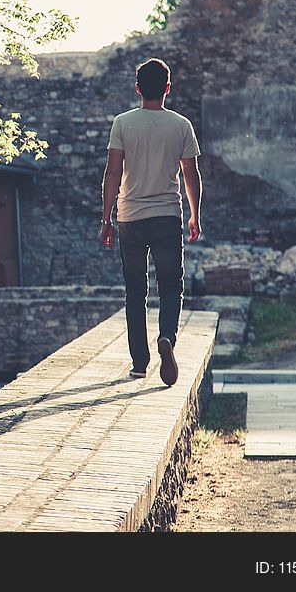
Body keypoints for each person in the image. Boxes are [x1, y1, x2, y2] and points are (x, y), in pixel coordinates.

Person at [98, 58, 203, 386]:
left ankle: (139, 363)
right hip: (167, 217)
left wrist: (106, 219)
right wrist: (195, 215)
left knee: (135, 292)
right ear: (168, 88)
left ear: (138, 88)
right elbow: (191, 173)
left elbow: (112, 172)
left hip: (129, 218)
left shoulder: (122, 123)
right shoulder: (181, 125)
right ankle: (167, 338)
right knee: (171, 286)